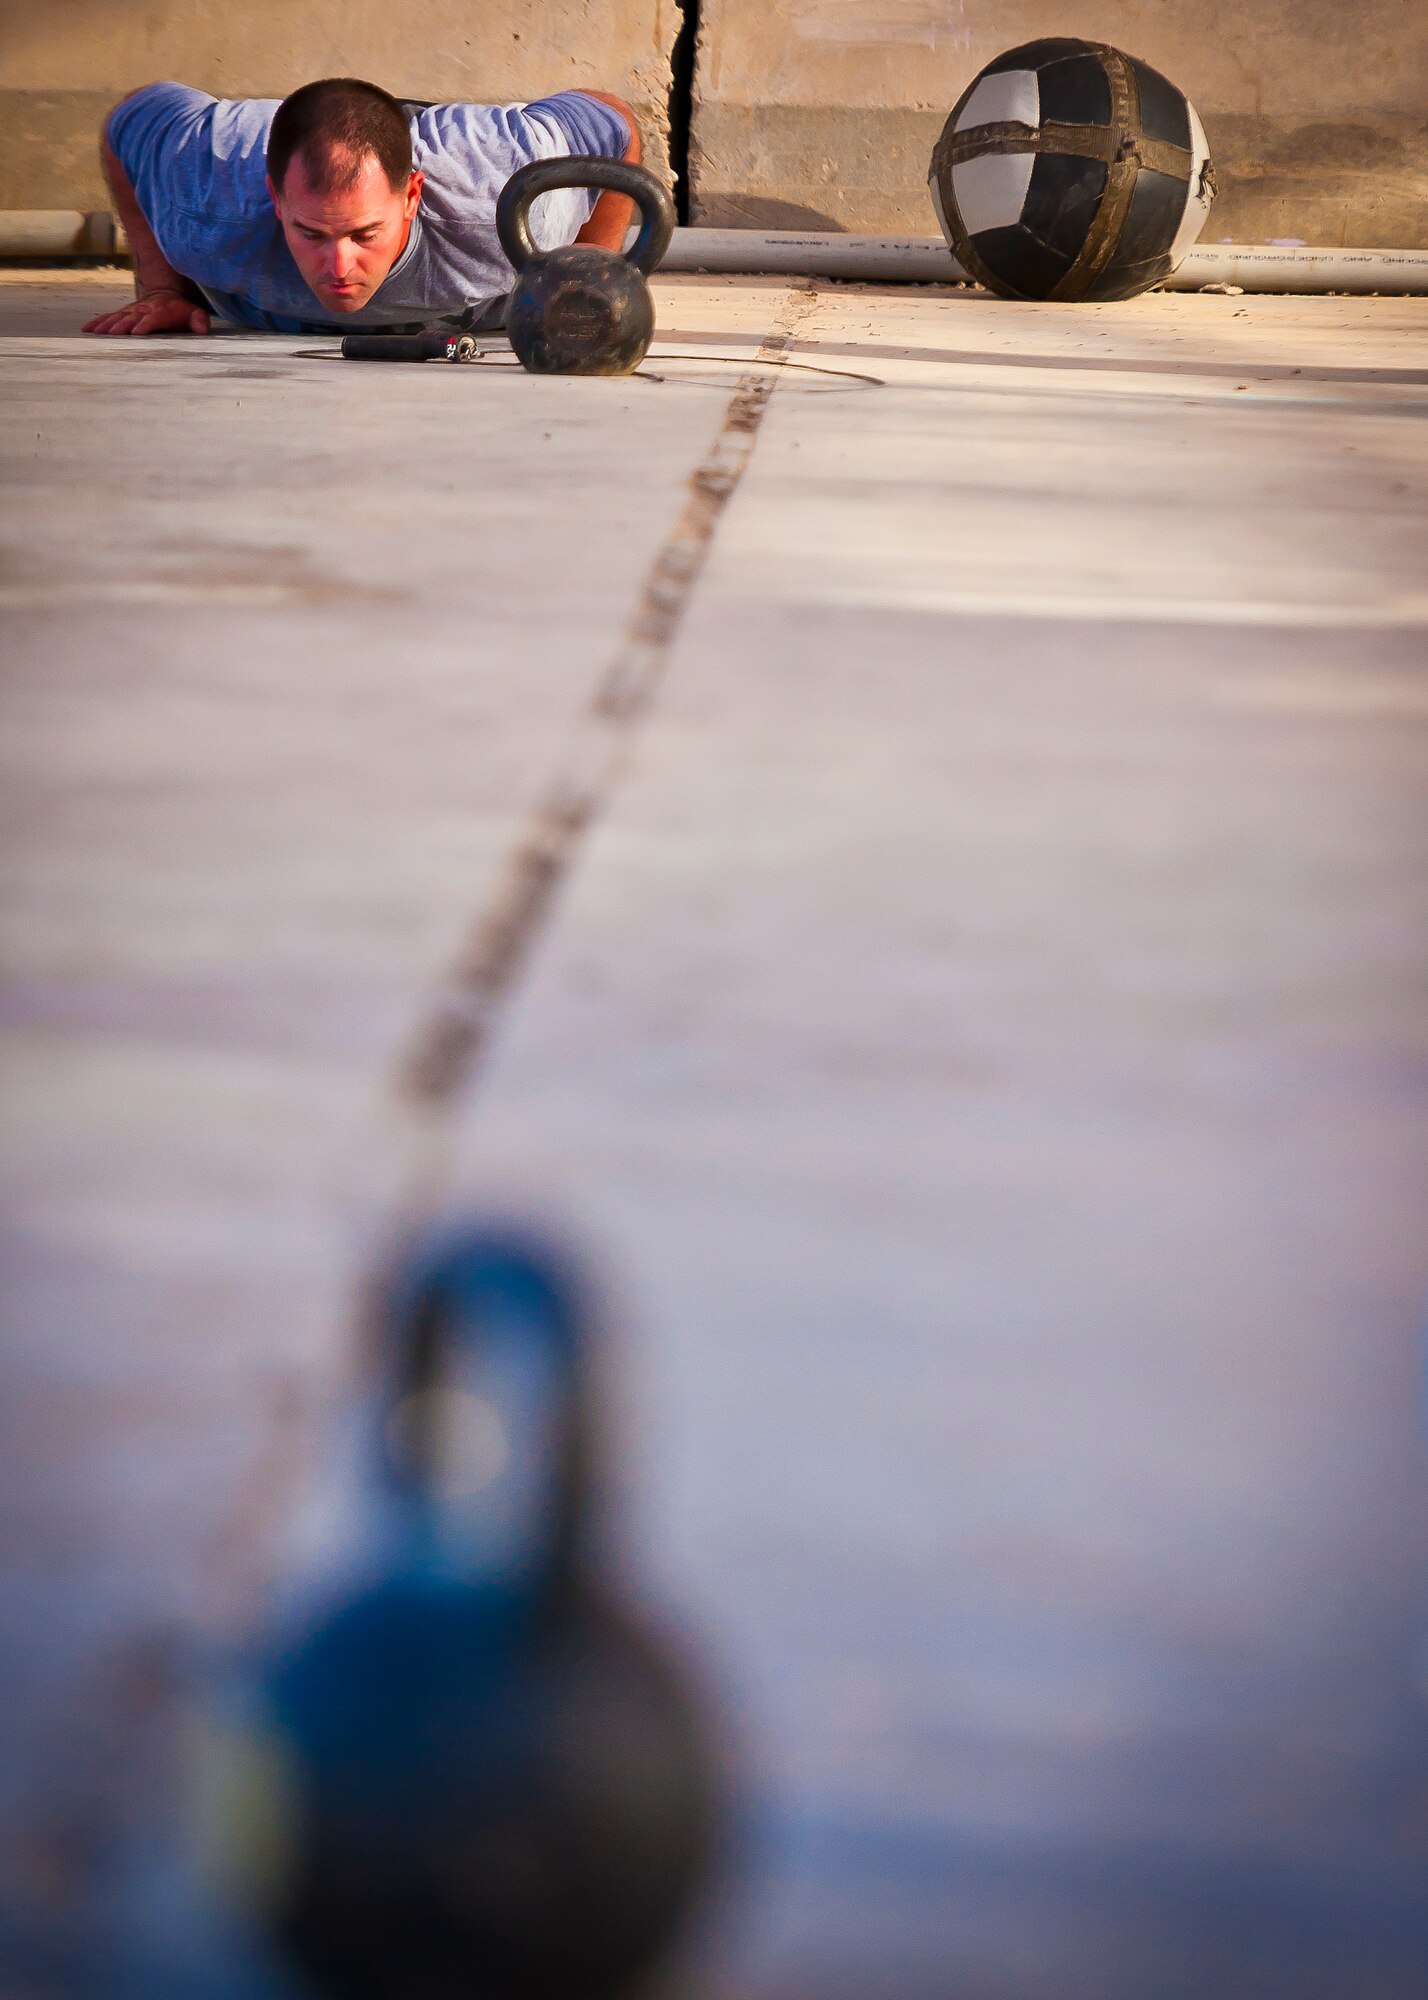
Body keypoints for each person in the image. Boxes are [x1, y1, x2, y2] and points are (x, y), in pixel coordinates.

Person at [83, 76, 641, 338]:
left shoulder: (502, 203)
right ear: (275, 199)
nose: (339, 269)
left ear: (411, 198)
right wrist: (161, 288)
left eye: (364, 234)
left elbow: (612, 118)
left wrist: (583, 279)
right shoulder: (209, 199)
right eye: (312, 234)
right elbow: (131, 116)